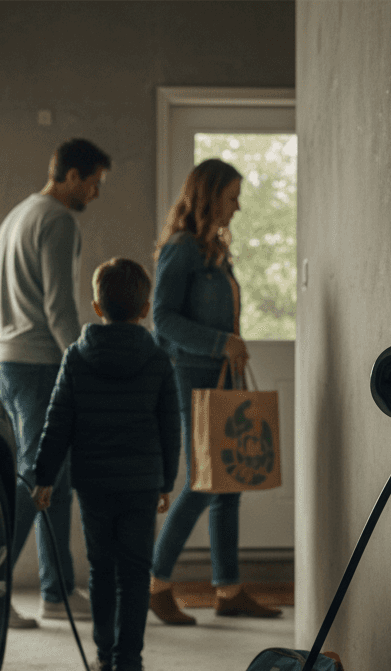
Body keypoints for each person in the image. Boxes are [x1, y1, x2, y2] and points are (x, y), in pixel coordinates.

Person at [30, 258, 180, 671]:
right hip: (140, 484)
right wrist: (166, 481)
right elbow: (170, 427)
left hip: (93, 483)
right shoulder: (157, 359)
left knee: (101, 570)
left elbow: (58, 420)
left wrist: (44, 476)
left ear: (97, 307)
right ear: (146, 309)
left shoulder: (77, 356)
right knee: (134, 574)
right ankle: (129, 668)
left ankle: (105, 660)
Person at [0, 137, 111, 629]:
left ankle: (57, 593)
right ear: (72, 176)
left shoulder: (16, 216)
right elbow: (60, 308)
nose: (96, 194)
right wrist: (82, 364)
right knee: (38, 476)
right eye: (94, 183)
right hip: (38, 364)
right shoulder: (58, 220)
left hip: (7, 361)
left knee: (53, 479)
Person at [148, 158, 282, 625]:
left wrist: (228, 347)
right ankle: (156, 583)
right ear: (209, 197)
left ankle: (228, 590)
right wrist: (220, 342)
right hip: (194, 375)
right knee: (205, 481)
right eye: (232, 197)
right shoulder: (182, 249)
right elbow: (162, 319)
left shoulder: (214, 250)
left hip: (222, 375)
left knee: (229, 483)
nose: (238, 207)